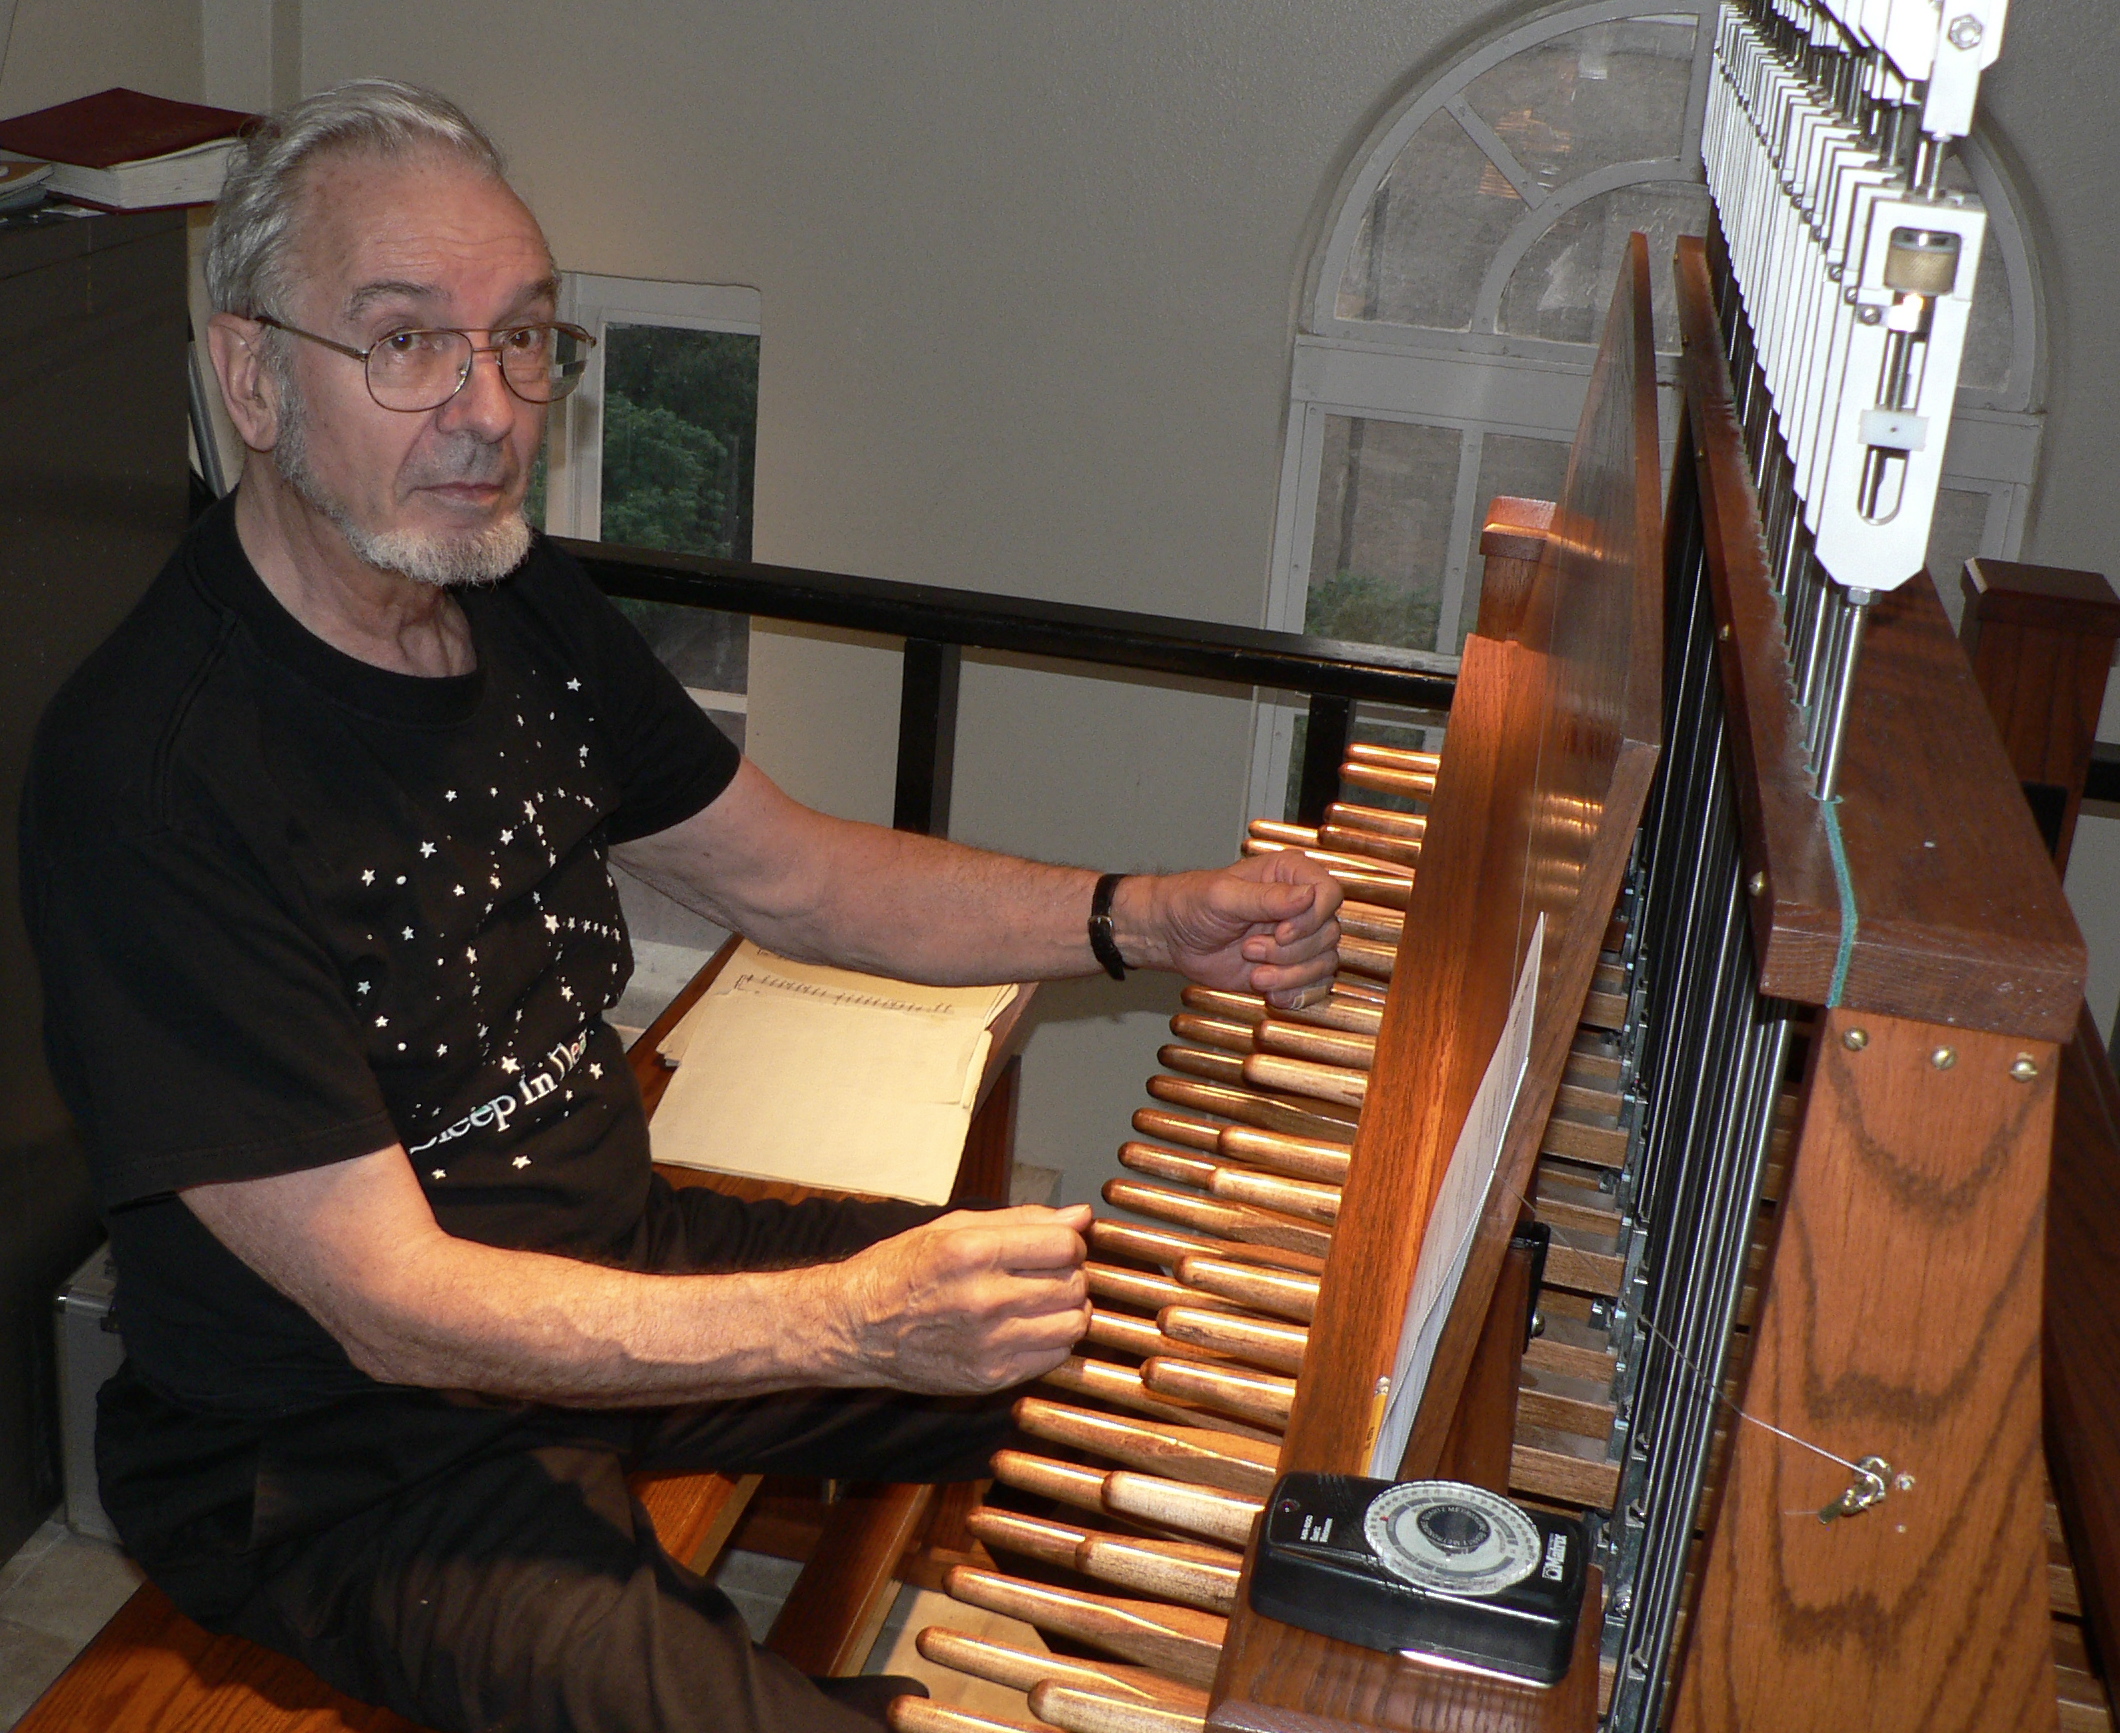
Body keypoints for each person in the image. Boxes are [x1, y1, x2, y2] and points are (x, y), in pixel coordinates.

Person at [20, 79, 1342, 1733]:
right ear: (252, 377)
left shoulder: (508, 595)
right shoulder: (152, 775)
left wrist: (1146, 915)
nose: (488, 408)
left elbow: (793, 872)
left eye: (522, 339)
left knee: (1141, 1365)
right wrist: (847, 1320)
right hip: (337, 1449)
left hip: (612, 1257)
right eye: (407, 342)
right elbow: (389, 1301)